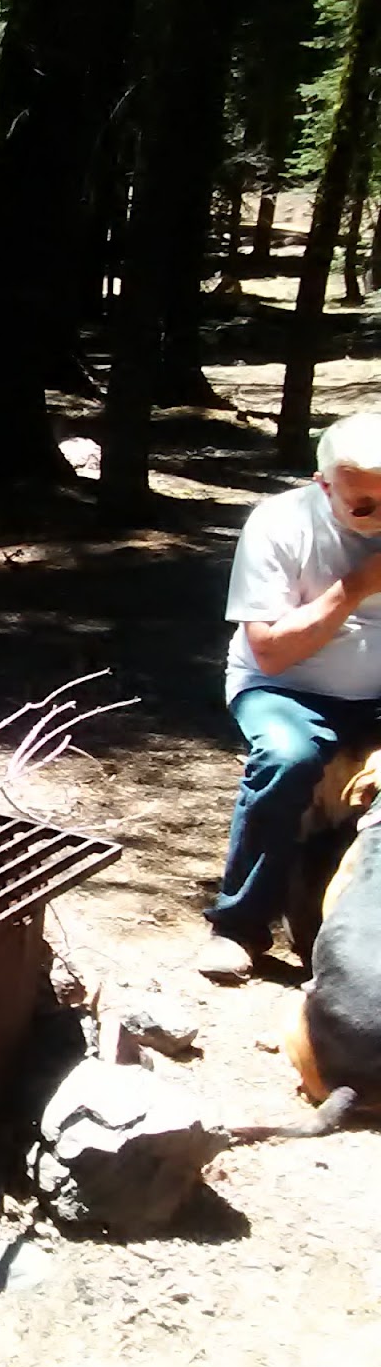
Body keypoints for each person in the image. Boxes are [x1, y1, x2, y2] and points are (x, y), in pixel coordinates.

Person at [201, 410, 381, 982]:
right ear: (322, 484)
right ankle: (240, 926)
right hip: (284, 687)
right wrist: (356, 587)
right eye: (363, 505)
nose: (379, 517)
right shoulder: (280, 525)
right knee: (287, 759)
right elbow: (272, 652)